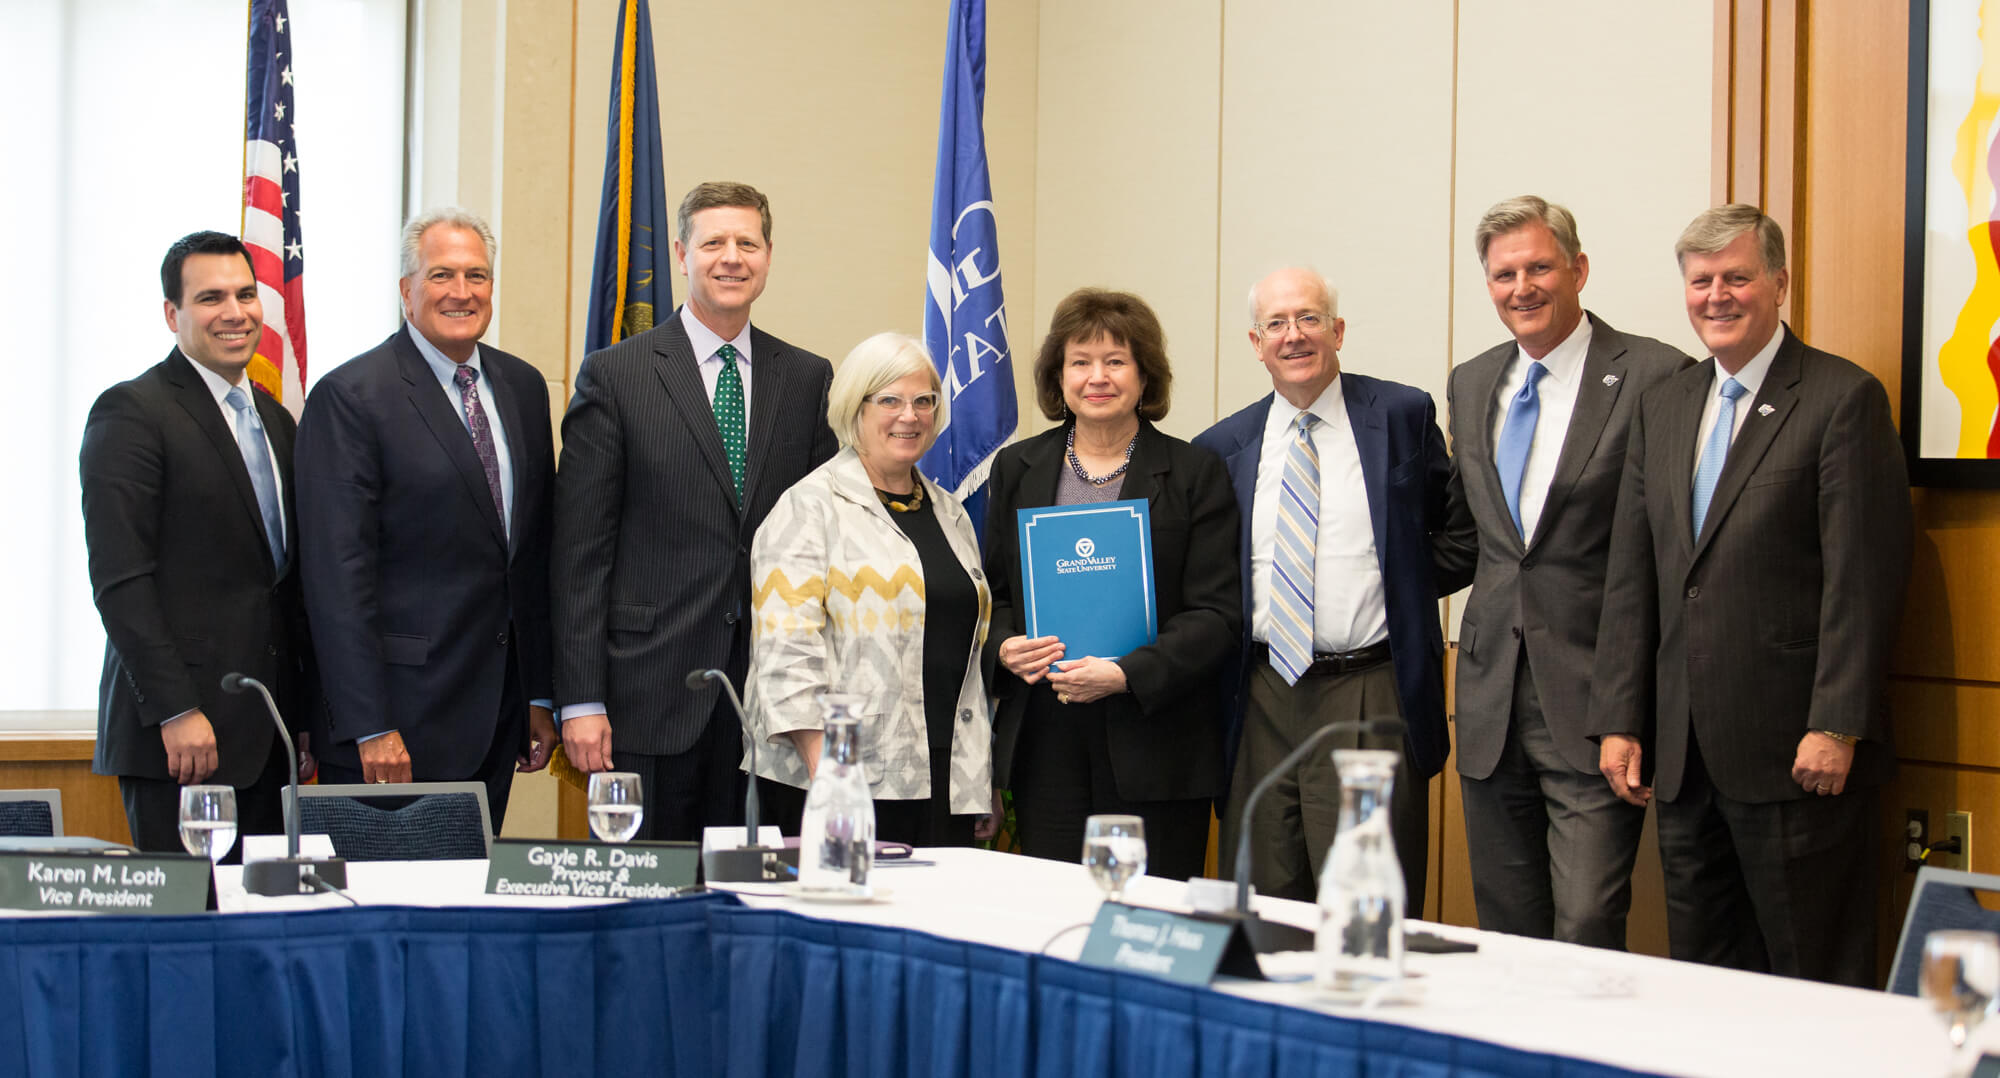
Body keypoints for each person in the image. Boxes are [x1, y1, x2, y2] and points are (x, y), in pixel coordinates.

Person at [1589, 204, 1911, 987]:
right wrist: (1621, 720)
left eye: (1737, 277)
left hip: (1796, 755)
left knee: (1811, 976)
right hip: (1684, 755)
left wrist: (1836, 722)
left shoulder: (1841, 398)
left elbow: (1862, 579)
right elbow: (1635, 577)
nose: (1718, 296)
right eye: (1702, 281)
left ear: (1780, 283)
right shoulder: (1663, 405)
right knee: (1704, 980)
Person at [1441, 196, 1691, 947]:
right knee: (1507, 931)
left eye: (1539, 267)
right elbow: (1475, 538)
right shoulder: (1471, 381)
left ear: (1578, 269)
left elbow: (1666, 552)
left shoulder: (1656, 375)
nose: (1522, 287)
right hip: (1489, 704)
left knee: (1584, 924)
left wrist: (1633, 708)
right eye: (1503, 273)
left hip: (1593, 701)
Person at [553, 181, 838, 841]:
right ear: (682, 254)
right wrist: (582, 701)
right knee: (645, 905)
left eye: (748, 243)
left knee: (757, 903)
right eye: (714, 242)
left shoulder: (805, 379)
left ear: (768, 257)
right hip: (645, 699)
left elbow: (822, 542)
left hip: (770, 703)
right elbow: (577, 558)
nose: (731, 257)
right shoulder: (615, 376)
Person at [1193, 267, 1467, 908]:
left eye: (1309, 318)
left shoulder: (1400, 413)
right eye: (1277, 324)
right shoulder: (1221, 447)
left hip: (1369, 690)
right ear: (1255, 343)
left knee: (1367, 901)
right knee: (1264, 898)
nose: (1295, 336)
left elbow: (1459, 533)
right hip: (1257, 695)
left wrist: (1401, 591)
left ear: (1337, 331)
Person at [295, 208, 556, 829]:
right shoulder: (352, 396)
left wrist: (537, 695)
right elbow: (336, 578)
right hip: (396, 725)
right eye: (441, 275)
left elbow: (532, 554)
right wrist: (370, 724)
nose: (461, 292)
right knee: (387, 914)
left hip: (497, 716)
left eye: (477, 276)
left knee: (469, 913)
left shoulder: (522, 386)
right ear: (406, 290)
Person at [984, 289, 1240, 882]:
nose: (1097, 377)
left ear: (1145, 374)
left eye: (1115, 361)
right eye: (1080, 361)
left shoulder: (1195, 471)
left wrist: (1126, 673)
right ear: (1059, 375)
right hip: (1047, 739)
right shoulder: (1017, 468)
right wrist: (1004, 645)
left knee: (1146, 919)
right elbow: (993, 594)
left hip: (1155, 737)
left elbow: (1217, 613)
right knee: (1054, 912)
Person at [80, 231, 315, 853]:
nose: (235, 312)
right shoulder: (131, 412)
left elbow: (282, 586)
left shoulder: (277, 422)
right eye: (211, 297)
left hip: (270, 740)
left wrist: (304, 717)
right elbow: (120, 581)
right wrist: (175, 710)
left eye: (245, 294)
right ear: (172, 314)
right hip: (180, 744)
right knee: (189, 936)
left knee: (261, 937)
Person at [745, 333, 994, 845]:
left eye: (924, 400)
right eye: (890, 400)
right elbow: (785, 655)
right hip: (844, 777)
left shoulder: (950, 514)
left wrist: (978, 779)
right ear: (854, 407)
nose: (910, 415)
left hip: (946, 774)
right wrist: (830, 775)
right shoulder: (808, 508)